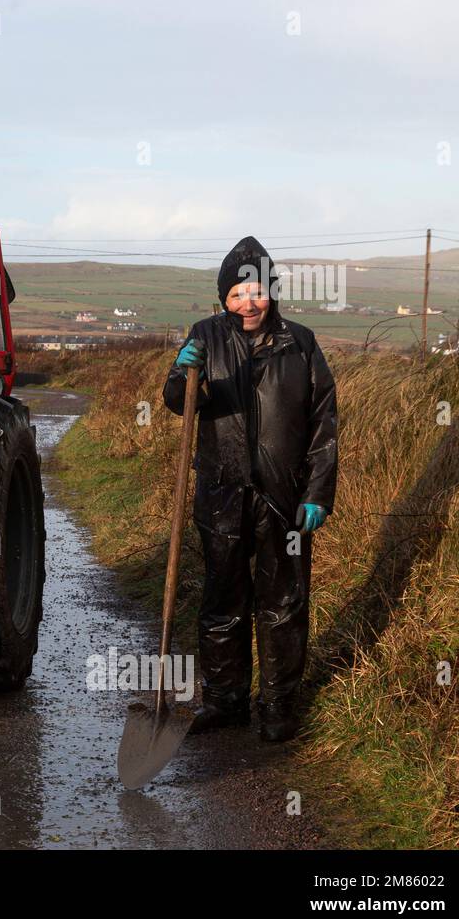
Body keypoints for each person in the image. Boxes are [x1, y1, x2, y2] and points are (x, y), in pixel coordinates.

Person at [163, 236, 338, 742]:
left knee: (282, 603)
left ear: (272, 293)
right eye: (237, 293)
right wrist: (183, 371)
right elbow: (179, 402)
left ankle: (279, 706)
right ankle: (224, 702)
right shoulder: (205, 337)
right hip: (221, 493)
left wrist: (318, 494)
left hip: (285, 500)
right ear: (224, 298)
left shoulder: (300, 344)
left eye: (256, 291)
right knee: (223, 600)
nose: (248, 302)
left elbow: (325, 423)